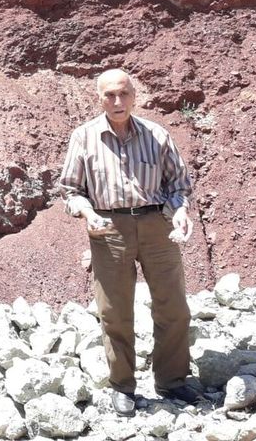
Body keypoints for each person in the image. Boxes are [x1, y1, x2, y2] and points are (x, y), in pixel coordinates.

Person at [59, 68, 200, 417]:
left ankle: (172, 380)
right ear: (99, 98)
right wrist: (87, 213)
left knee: (173, 307)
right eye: (110, 95)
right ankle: (122, 386)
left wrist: (180, 211)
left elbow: (179, 185)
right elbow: (71, 190)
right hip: (109, 229)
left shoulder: (157, 134)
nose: (118, 101)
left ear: (135, 96)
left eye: (124, 93)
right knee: (115, 312)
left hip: (157, 225)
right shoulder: (84, 137)